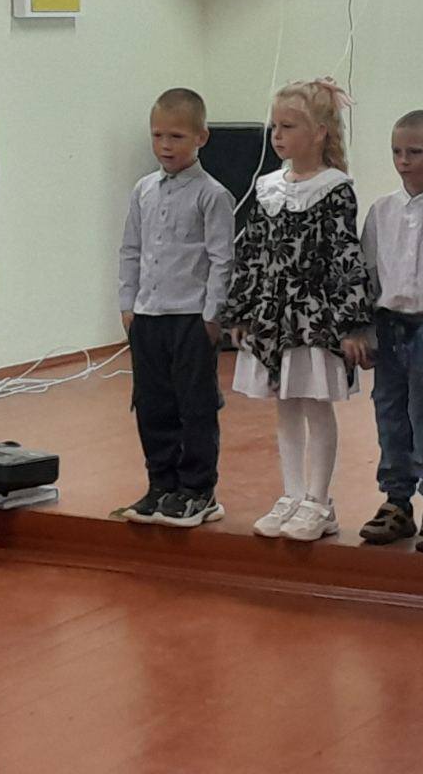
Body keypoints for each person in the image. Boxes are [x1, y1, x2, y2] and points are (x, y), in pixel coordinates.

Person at [223, 79, 370, 543]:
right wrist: (240, 311)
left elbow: (345, 256)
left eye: (288, 126)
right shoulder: (267, 188)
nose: (277, 135)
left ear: (320, 132)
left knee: (315, 405)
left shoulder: (335, 189)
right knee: (284, 404)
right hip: (272, 317)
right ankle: (291, 493)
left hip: (315, 318)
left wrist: (351, 323)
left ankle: (318, 501)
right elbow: (252, 253)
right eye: (275, 127)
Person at [117, 89, 235, 527]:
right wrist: (128, 303)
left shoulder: (212, 195)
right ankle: (161, 484)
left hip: (190, 317)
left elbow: (222, 258)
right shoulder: (143, 190)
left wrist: (212, 314)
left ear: (201, 137)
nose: (165, 146)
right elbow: (131, 249)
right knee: (152, 404)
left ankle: (199, 490)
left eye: (177, 136)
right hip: (148, 315)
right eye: (158, 135)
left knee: (195, 405)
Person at [356, 110, 423, 554]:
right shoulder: (381, 211)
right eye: (397, 152)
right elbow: (367, 273)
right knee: (389, 414)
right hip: (388, 326)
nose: (403, 161)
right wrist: (366, 328)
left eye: (415, 152)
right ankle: (396, 501)